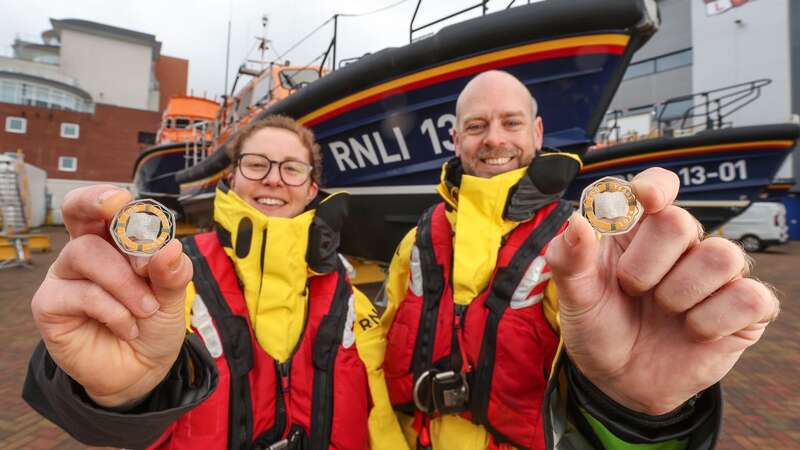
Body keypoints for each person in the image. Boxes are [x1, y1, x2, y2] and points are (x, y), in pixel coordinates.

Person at [380, 70, 779, 450]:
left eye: (511, 123)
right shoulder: (415, 243)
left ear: (537, 132)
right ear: (455, 139)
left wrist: (636, 416)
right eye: (476, 125)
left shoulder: (581, 248)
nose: (494, 138)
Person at [23, 115, 409, 449]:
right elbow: (102, 412)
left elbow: (379, 417)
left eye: (292, 168)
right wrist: (116, 396)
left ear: (311, 189)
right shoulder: (169, 277)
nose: (274, 179)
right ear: (232, 176)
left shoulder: (349, 299)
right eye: (257, 164)